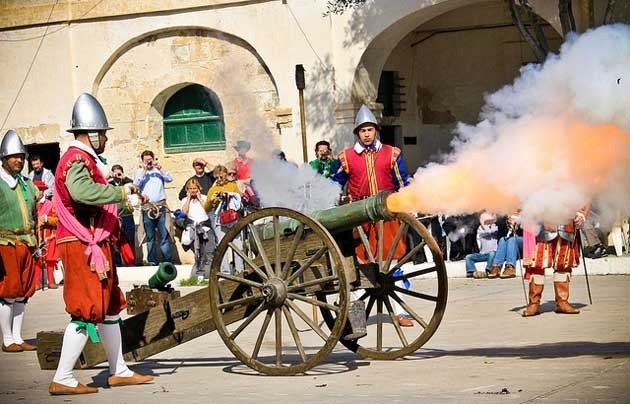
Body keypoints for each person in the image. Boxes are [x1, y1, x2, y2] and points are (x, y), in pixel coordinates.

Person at [49, 93, 153, 395]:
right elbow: (82, 193)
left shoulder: (84, 159)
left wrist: (125, 197)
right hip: (82, 243)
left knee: (108, 308)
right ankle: (63, 377)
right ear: (93, 134)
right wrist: (120, 195)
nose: (105, 139)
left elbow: (94, 202)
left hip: (95, 241)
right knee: (85, 309)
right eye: (103, 134)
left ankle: (118, 370)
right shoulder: (76, 159)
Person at [332, 104, 412, 327]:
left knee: (392, 262)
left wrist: (407, 202)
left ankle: (399, 312)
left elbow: (403, 182)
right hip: (359, 217)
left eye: (370, 130)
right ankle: (356, 315)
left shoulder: (392, 154)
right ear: (357, 133)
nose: (366, 134)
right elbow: (335, 184)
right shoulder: (346, 157)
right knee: (358, 266)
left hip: (387, 214)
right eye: (362, 131)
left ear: (376, 130)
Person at [0, 130, 39, 353]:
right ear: (4, 157)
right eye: (14, 156)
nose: (19, 160)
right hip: (5, 243)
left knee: (23, 292)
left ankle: (17, 336)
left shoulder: (26, 183)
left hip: (27, 242)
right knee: (8, 291)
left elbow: (38, 205)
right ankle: (7, 339)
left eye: (21, 156)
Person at [521, 207, 588, 317]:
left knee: (563, 263)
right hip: (542, 223)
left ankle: (562, 302)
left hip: (567, 222)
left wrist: (582, 213)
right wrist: (515, 214)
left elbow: (585, 192)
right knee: (537, 264)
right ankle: (534, 303)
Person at [134, 150, 173, 265]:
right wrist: (144, 170)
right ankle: (152, 261)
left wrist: (160, 168)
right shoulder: (139, 172)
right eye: (146, 160)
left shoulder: (158, 171)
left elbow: (170, 179)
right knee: (150, 237)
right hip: (147, 208)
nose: (148, 162)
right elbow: (135, 185)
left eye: (150, 160)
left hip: (161, 206)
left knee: (164, 235)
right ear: (142, 161)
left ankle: (167, 261)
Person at [204, 165, 243, 274]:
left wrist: (229, 196)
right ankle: (225, 272)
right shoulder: (212, 189)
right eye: (217, 178)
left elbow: (239, 200)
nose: (219, 180)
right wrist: (211, 201)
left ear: (226, 175)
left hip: (233, 218)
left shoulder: (232, 186)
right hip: (219, 220)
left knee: (238, 246)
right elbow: (206, 209)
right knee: (222, 246)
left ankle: (240, 271)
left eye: (221, 177)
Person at [180, 178, 216, 280]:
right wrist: (188, 199)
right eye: (190, 188)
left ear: (198, 188)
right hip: (193, 230)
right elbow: (184, 212)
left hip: (205, 228)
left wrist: (200, 198)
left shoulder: (204, 198)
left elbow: (207, 209)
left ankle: (210, 275)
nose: (193, 190)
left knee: (209, 252)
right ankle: (197, 275)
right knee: (197, 253)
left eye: (194, 188)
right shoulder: (184, 200)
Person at [34, 180, 61, 289]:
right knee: (37, 259)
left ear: (42, 191)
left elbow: (58, 220)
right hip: (36, 236)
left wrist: (47, 219)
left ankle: (51, 280)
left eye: (39, 190)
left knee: (50, 259)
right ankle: (36, 282)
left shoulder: (50, 205)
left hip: (49, 236)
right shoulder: (31, 204)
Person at [108, 165, 135, 266]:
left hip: (127, 214)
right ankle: (118, 263)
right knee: (115, 240)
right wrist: (109, 176)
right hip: (115, 216)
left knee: (130, 238)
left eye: (119, 172)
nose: (117, 175)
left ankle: (131, 262)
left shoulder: (127, 182)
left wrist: (124, 178)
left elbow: (135, 186)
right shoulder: (109, 184)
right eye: (115, 173)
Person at [488, 212, 523, 279]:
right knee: (502, 239)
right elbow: (498, 224)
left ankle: (510, 266)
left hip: (523, 240)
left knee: (512, 240)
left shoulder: (524, 212)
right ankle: (496, 266)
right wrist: (507, 221)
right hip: (509, 240)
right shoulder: (507, 215)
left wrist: (517, 223)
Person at [465, 212, 499, 279]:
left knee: (492, 253)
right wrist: (483, 224)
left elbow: (492, 232)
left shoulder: (496, 227)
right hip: (483, 254)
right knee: (468, 257)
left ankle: (488, 270)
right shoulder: (480, 229)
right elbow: (487, 233)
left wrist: (492, 223)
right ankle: (471, 271)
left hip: (494, 254)